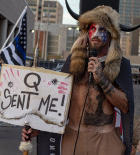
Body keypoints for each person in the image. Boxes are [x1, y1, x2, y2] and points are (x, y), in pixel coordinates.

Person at [22, 6, 134, 155]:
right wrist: (38, 127)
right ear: (86, 33)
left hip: (105, 140)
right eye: (92, 29)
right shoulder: (74, 61)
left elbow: (126, 106)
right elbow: (57, 101)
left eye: (102, 30)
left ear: (111, 34)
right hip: (73, 137)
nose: (96, 34)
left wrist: (102, 80)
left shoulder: (121, 64)